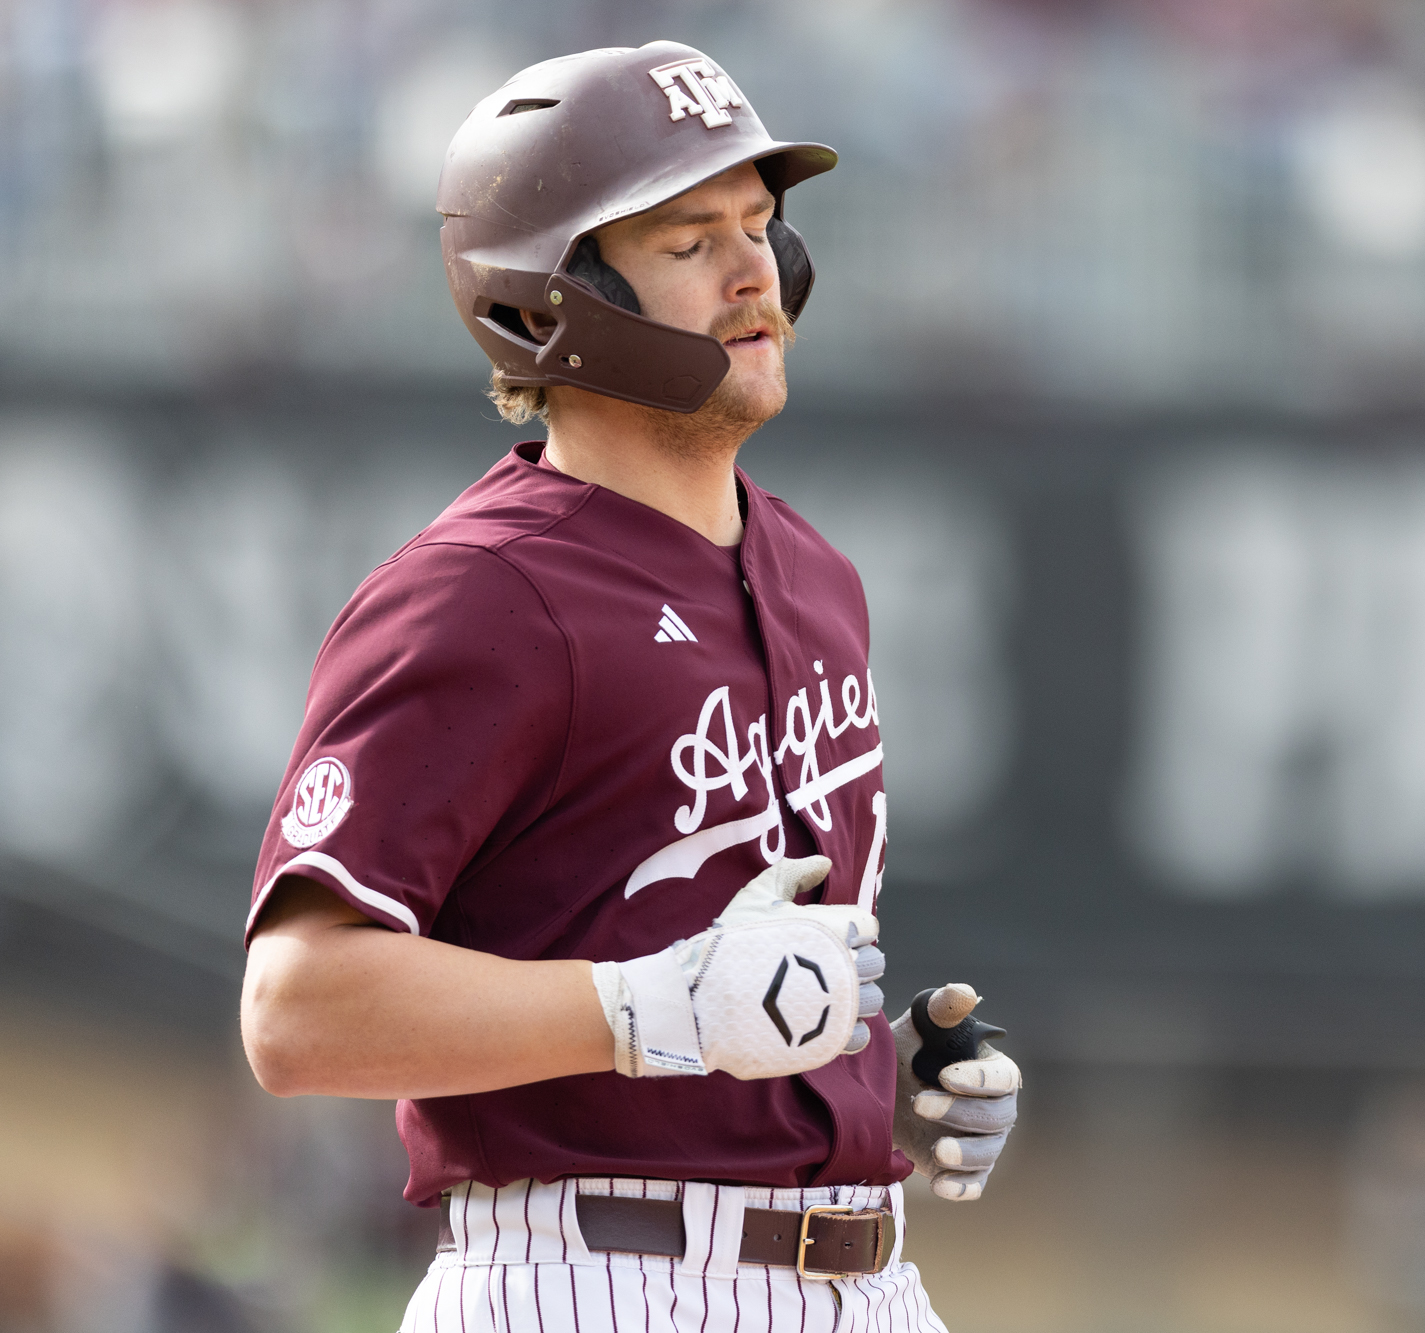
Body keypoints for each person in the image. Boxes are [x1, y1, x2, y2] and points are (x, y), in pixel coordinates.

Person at [238, 42, 1017, 1333]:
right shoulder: (483, 590)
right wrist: (650, 1005)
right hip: (595, 1276)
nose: (755, 268)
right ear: (555, 302)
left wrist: (887, 1073)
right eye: (688, 237)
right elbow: (297, 1006)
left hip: (869, 1283)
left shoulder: (816, 572)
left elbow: (734, 958)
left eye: (761, 224)